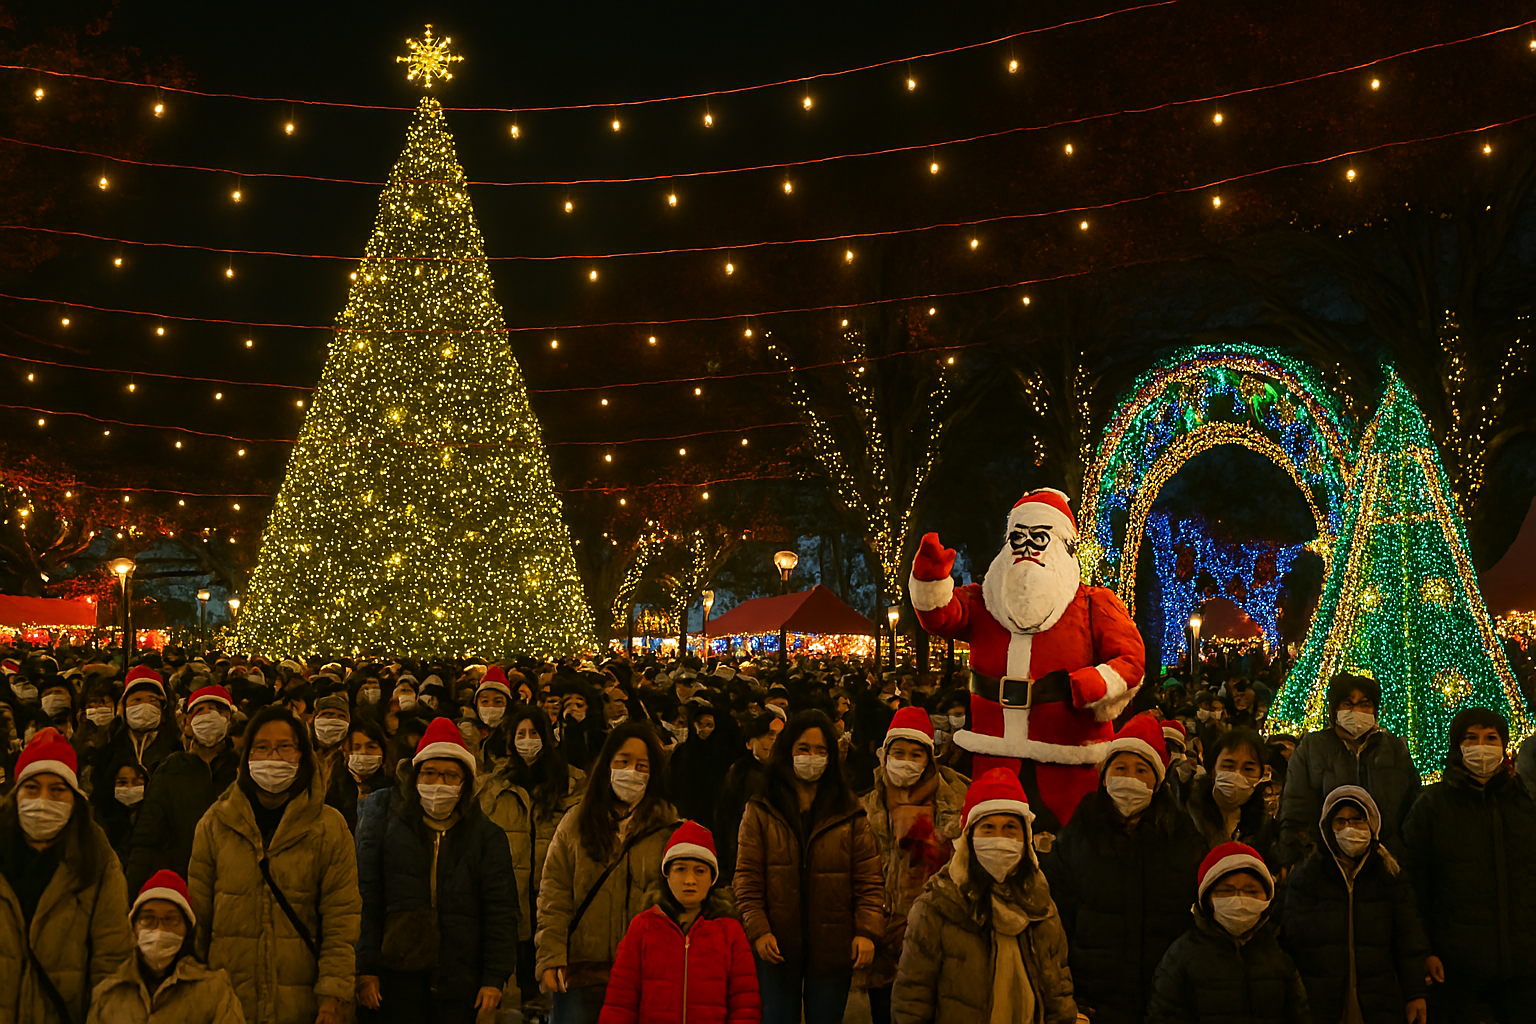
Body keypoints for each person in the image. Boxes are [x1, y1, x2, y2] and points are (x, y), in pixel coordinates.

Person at [187, 705, 361, 1024]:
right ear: (247, 756)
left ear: (302, 755)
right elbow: (199, 920)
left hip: (301, 1003)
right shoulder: (216, 823)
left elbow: (341, 920)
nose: (273, 757)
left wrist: (333, 995)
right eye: (262, 747)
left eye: (284, 747)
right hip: (229, 1002)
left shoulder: (328, 827)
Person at [1046, 713, 1206, 1024]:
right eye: (1120, 768)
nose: (1130, 778)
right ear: (1105, 777)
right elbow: (1057, 919)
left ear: (1157, 781)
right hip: (1091, 1000)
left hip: (1163, 998)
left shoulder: (1183, 838)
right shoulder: (1077, 836)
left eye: (1141, 770)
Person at [355, 717, 517, 1023]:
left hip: (460, 980)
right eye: (429, 773)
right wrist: (365, 969)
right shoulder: (386, 825)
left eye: (450, 775)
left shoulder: (487, 837)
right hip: (396, 977)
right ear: (415, 776)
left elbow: (500, 911)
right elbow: (367, 897)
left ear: (465, 783)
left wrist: (494, 978)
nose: (438, 783)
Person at [891, 768, 1077, 1024]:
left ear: (1025, 839)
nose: (999, 839)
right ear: (969, 838)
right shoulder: (936, 907)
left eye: (1010, 828)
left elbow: (1059, 993)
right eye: (988, 828)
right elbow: (912, 1000)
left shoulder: (1040, 906)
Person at [734, 709, 883, 1024]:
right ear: (788, 751)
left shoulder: (849, 812)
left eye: (820, 750)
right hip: (775, 946)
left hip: (833, 949)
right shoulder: (761, 808)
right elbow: (747, 878)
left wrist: (866, 931)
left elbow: (869, 879)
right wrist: (758, 929)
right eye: (803, 748)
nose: (811, 757)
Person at [536, 722, 679, 1024]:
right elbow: (554, 894)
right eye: (623, 761)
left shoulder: (668, 829)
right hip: (582, 972)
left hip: (645, 973)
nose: (631, 772)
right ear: (607, 766)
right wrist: (550, 957)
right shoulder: (575, 822)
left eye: (642, 766)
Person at [1400, 709, 1536, 1023]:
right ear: (1457, 747)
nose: (1481, 747)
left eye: (1491, 738)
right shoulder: (1431, 806)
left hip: (1523, 967)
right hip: (1456, 969)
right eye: (1471, 738)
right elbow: (1412, 886)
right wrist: (1424, 951)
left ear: (1503, 746)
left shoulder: (1524, 805)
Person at [0, 729, 134, 1022]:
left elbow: (112, 964)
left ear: (74, 800)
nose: (43, 800)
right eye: (32, 788)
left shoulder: (98, 861)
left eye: (57, 790)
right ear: (16, 794)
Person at [1279, 785, 1428, 1024]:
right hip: (1323, 1003)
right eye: (1340, 821)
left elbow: (1408, 937)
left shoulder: (1389, 875)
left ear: (1372, 824)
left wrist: (1415, 992)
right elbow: (1292, 943)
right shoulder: (1306, 878)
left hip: (1379, 1001)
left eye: (1358, 820)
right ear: (1328, 828)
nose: (1350, 828)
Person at [860, 706, 968, 1024]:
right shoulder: (863, 808)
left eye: (915, 754)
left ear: (929, 759)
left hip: (936, 940)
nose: (906, 761)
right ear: (885, 755)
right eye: (899, 753)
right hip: (879, 941)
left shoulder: (958, 805)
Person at [598, 821, 760, 1024]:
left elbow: (744, 1006)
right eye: (680, 869)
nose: (689, 880)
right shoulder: (643, 928)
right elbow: (619, 1004)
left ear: (712, 878)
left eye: (700, 871)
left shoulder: (730, 932)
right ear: (667, 874)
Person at [480, 705, 584, 1004]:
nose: (528, 740)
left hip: (555, 903)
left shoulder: (573, 784)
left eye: (534, 733)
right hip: (510, 901)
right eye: (521, 734)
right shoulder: (493, 787)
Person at [1146, 842, 1311, 1023]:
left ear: (1268, 897)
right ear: (1207, 898)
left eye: (1251, 891)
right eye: (1226, 891)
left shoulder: (1278, 952)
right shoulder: (1181, 957)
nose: (1239, 900)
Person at [1277, 673, 1419, 866]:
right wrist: (1299, 859)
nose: (1356, 711)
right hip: (1326, 861)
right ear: (1335, 709)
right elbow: (1296, 808)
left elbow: (1411, 807)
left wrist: (1400, 856)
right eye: (1348, 704)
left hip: (1385, 860)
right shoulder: (1312, 749)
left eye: (1364, 704)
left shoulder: (1394, 749)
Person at [86, 869, 245, 1023]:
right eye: (148, 919)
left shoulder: (214, 991)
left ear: (186, 929)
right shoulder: (108, 994)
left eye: (171, 919)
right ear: (134, 928)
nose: (159, 930)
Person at [125, 685, 241, 894]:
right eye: (200, 710)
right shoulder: (170, 770)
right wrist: (133, 889)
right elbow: (147, 836)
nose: (209, 715)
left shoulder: (242, 770)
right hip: (180, 882)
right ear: (187, 722)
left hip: (232, 883)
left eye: (218, 710)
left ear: (229, 721)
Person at [1185, 728, 1279, 861]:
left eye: (1248, 769)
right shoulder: (1187, 814)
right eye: (1228, 766)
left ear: (1260, 776)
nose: (1236, 774)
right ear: (1213, 770)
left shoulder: (1262, 824)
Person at [712, 711, 782, 883]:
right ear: (749, 743)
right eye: (768, 735)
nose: (774, 741)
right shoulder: (740, 776)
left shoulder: (786, 776)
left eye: (779, 736)